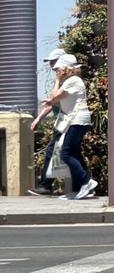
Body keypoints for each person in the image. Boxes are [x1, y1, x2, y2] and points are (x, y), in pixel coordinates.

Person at [39, 55, 97, 200]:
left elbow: (53, 98)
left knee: (65, 153)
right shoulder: (72, 81)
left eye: (58, 68)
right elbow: (55, 99)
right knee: (73, 153)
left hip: (77, 121)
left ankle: (86, 182)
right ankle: (83, 188)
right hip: (77, 121)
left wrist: (57, 80)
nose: (56, 70)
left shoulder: (72, 81)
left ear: (65, 68)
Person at [28, 48, 67, 196]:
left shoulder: (65, 80)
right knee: (64, 152)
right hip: (63, 122)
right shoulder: (63, 79)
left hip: (66, 122)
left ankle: (46, 185)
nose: (51, 66)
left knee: (56, 151)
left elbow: (52, 101)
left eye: (53, 62)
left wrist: (38, 118)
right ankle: (82, 183)